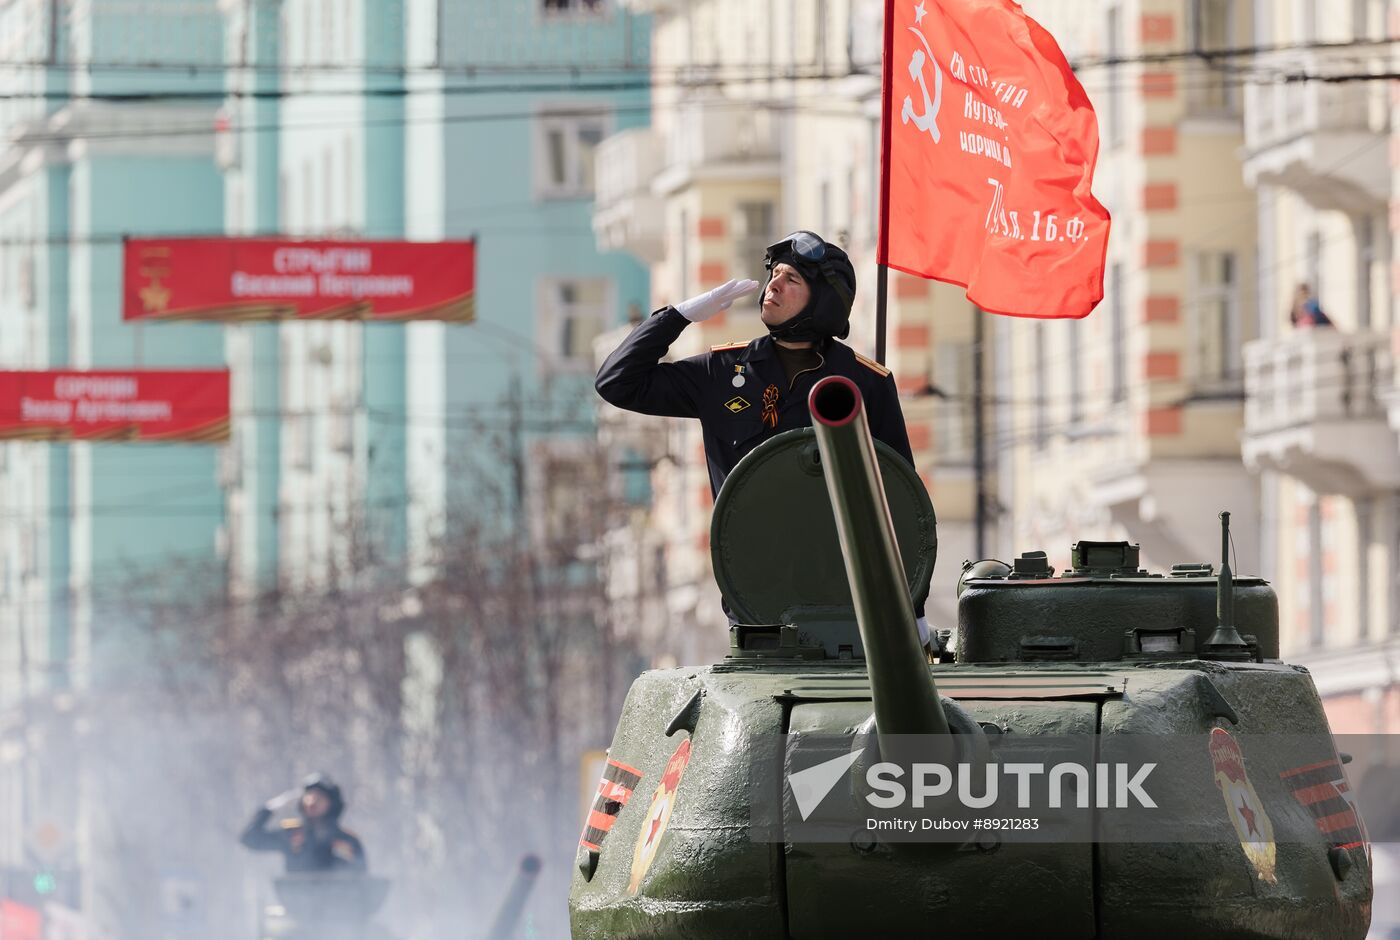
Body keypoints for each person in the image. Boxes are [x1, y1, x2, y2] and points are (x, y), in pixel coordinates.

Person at [596, 230, 929, 643]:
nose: (773, 284)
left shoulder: (864, 383)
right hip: (756, 598)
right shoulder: (723, 373)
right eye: (775, 273)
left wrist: (913, 606)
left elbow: (899, 496)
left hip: (846, 593)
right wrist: (676, 317)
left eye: (792, 279)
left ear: (823, 299)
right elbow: (617, 382)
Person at [240, 773, 367, 873]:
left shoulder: (347, 840)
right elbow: (250, 839)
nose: (312, 802)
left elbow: (362, 878)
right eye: (309, 796)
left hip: (338, 902)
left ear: (331, 803)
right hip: (295, 902)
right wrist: (269, 809)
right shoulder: (291, 834)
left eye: (319, 797)